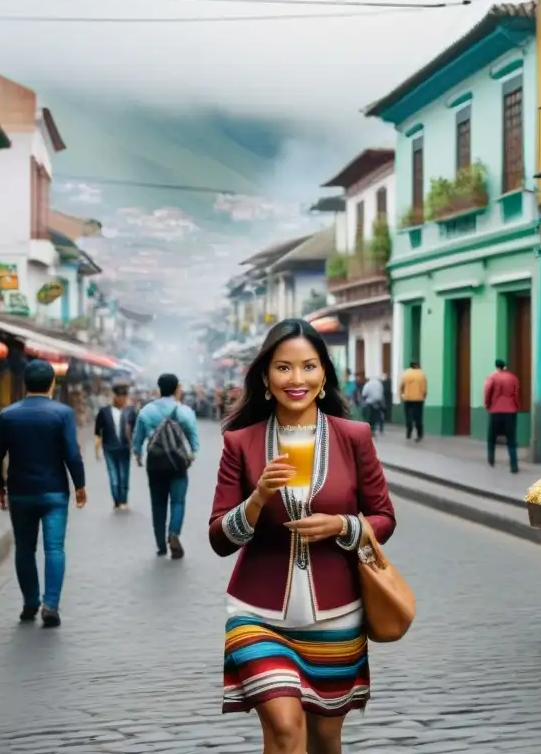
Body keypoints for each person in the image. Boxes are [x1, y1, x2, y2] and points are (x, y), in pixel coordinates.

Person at [209, 318, 395, 754]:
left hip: (337, 615)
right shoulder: (241, 443)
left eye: (309, 367)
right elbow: (220, 538)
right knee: (287, 728)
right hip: (257, 613)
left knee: (325, 740)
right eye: (284, 368)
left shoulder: (354, 437)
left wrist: (343, 526)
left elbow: (383, 516)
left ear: (324, 374)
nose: (297, 379)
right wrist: (257, 498)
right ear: (266, 377)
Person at [0, 359, 87, 628]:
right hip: (54, 491)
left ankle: (30, 601)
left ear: (24, 383)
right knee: (54, 548)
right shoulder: (63, 413)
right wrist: (79, 485)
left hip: (20, 492)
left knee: (25, 548)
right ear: (52, 383)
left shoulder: (8, 415)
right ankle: (50, 604)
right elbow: (72, 453)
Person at [132, 373, 199, 559]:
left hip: (155, 463)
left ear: (158, 388)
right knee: (178, 501)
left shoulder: (146, 411)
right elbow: (193, 437)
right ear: (177, 388)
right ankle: (174, 533)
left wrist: (137, 454)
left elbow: (138, 438)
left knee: (158, 503)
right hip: (178, 463)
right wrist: (192, 454)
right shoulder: (184, 411)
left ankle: (161, 544)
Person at [94, 383, 137, 510]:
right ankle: (116, 501)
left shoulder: (130, 411)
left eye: (124, 396)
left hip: (124, 448)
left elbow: (136, 431)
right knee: (113, 475)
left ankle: (124, 500)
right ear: (114, 396)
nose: (121, 399)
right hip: (109, 448)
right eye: (119, 396)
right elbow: (97, 431)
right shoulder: (104, 412)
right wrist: (97, 449)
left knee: (124, 475)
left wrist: (136, 447)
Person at [484, 358, 520, 474]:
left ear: (496, 366)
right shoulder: (513, 378)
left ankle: (491, 459)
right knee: (511, 438)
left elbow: (487, 392)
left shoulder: (492, 377)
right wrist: (516, 407)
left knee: (492, 437)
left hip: (495, 410)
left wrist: (488, 405)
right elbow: (516, 394)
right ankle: (514, 465)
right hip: (510, 411)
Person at [398, 360, 427, 441]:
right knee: (418, 417)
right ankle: (419, 434)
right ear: (417, 365)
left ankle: (409, 432)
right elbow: (424, 389)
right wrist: (424, 397)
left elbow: (401, 387)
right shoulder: (421, 374)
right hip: (418, 399)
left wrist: (401, 395)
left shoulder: (406, 374)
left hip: (407, 398)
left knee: (408, 416)